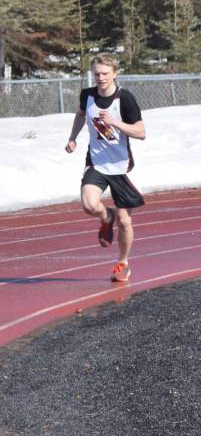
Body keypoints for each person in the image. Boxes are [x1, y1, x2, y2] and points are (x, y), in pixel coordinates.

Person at [65, 53, 146, 283]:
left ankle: (122, 263)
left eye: (105, 74)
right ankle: (105, 216)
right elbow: (81, 114)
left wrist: (115, 123)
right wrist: (73, 137)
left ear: (115, 74)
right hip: (96, 163)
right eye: (97, 74)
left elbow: (141, 132)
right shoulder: (87, 95)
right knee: (90, 204)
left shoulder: (125, 99)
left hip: (121, 167)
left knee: (125, 221)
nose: (100, 78)